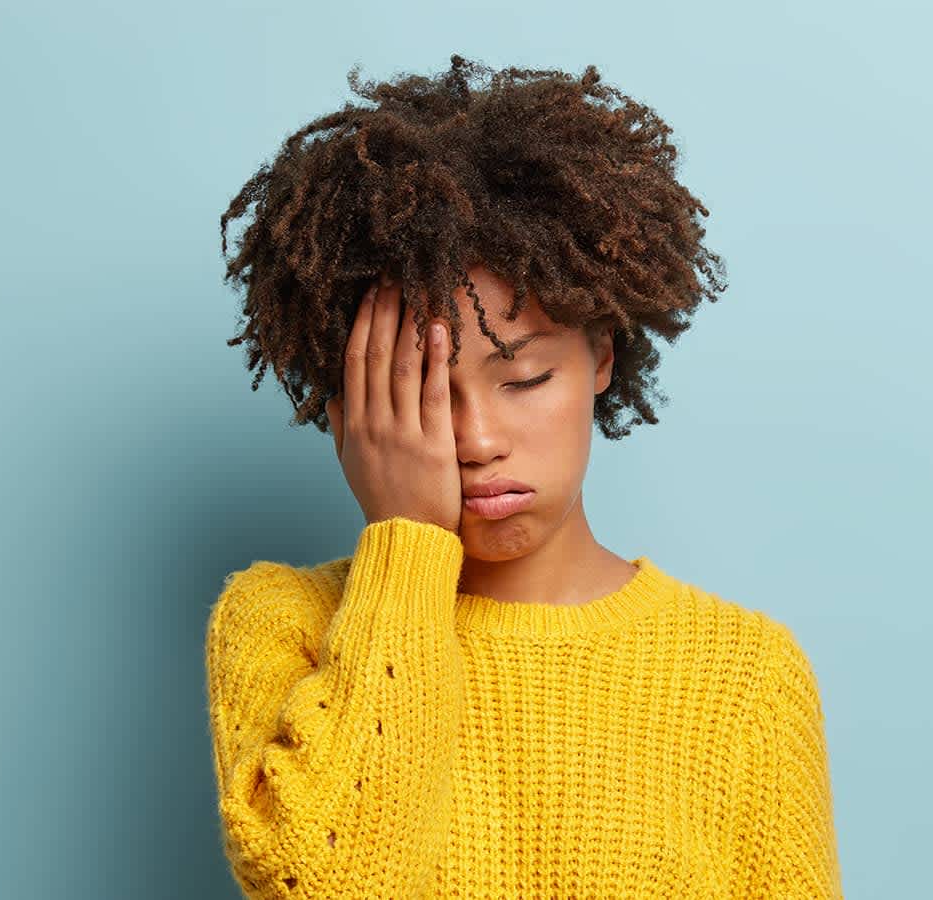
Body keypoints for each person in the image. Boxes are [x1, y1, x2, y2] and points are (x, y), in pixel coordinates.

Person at [209, 54, 842, 898]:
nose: (474, 439)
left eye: (525, 379)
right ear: (352, 405)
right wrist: (407, 546)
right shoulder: (281, 624)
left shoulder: (744, 676)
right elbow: (325, 880)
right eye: (424, 396)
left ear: (602, 356)